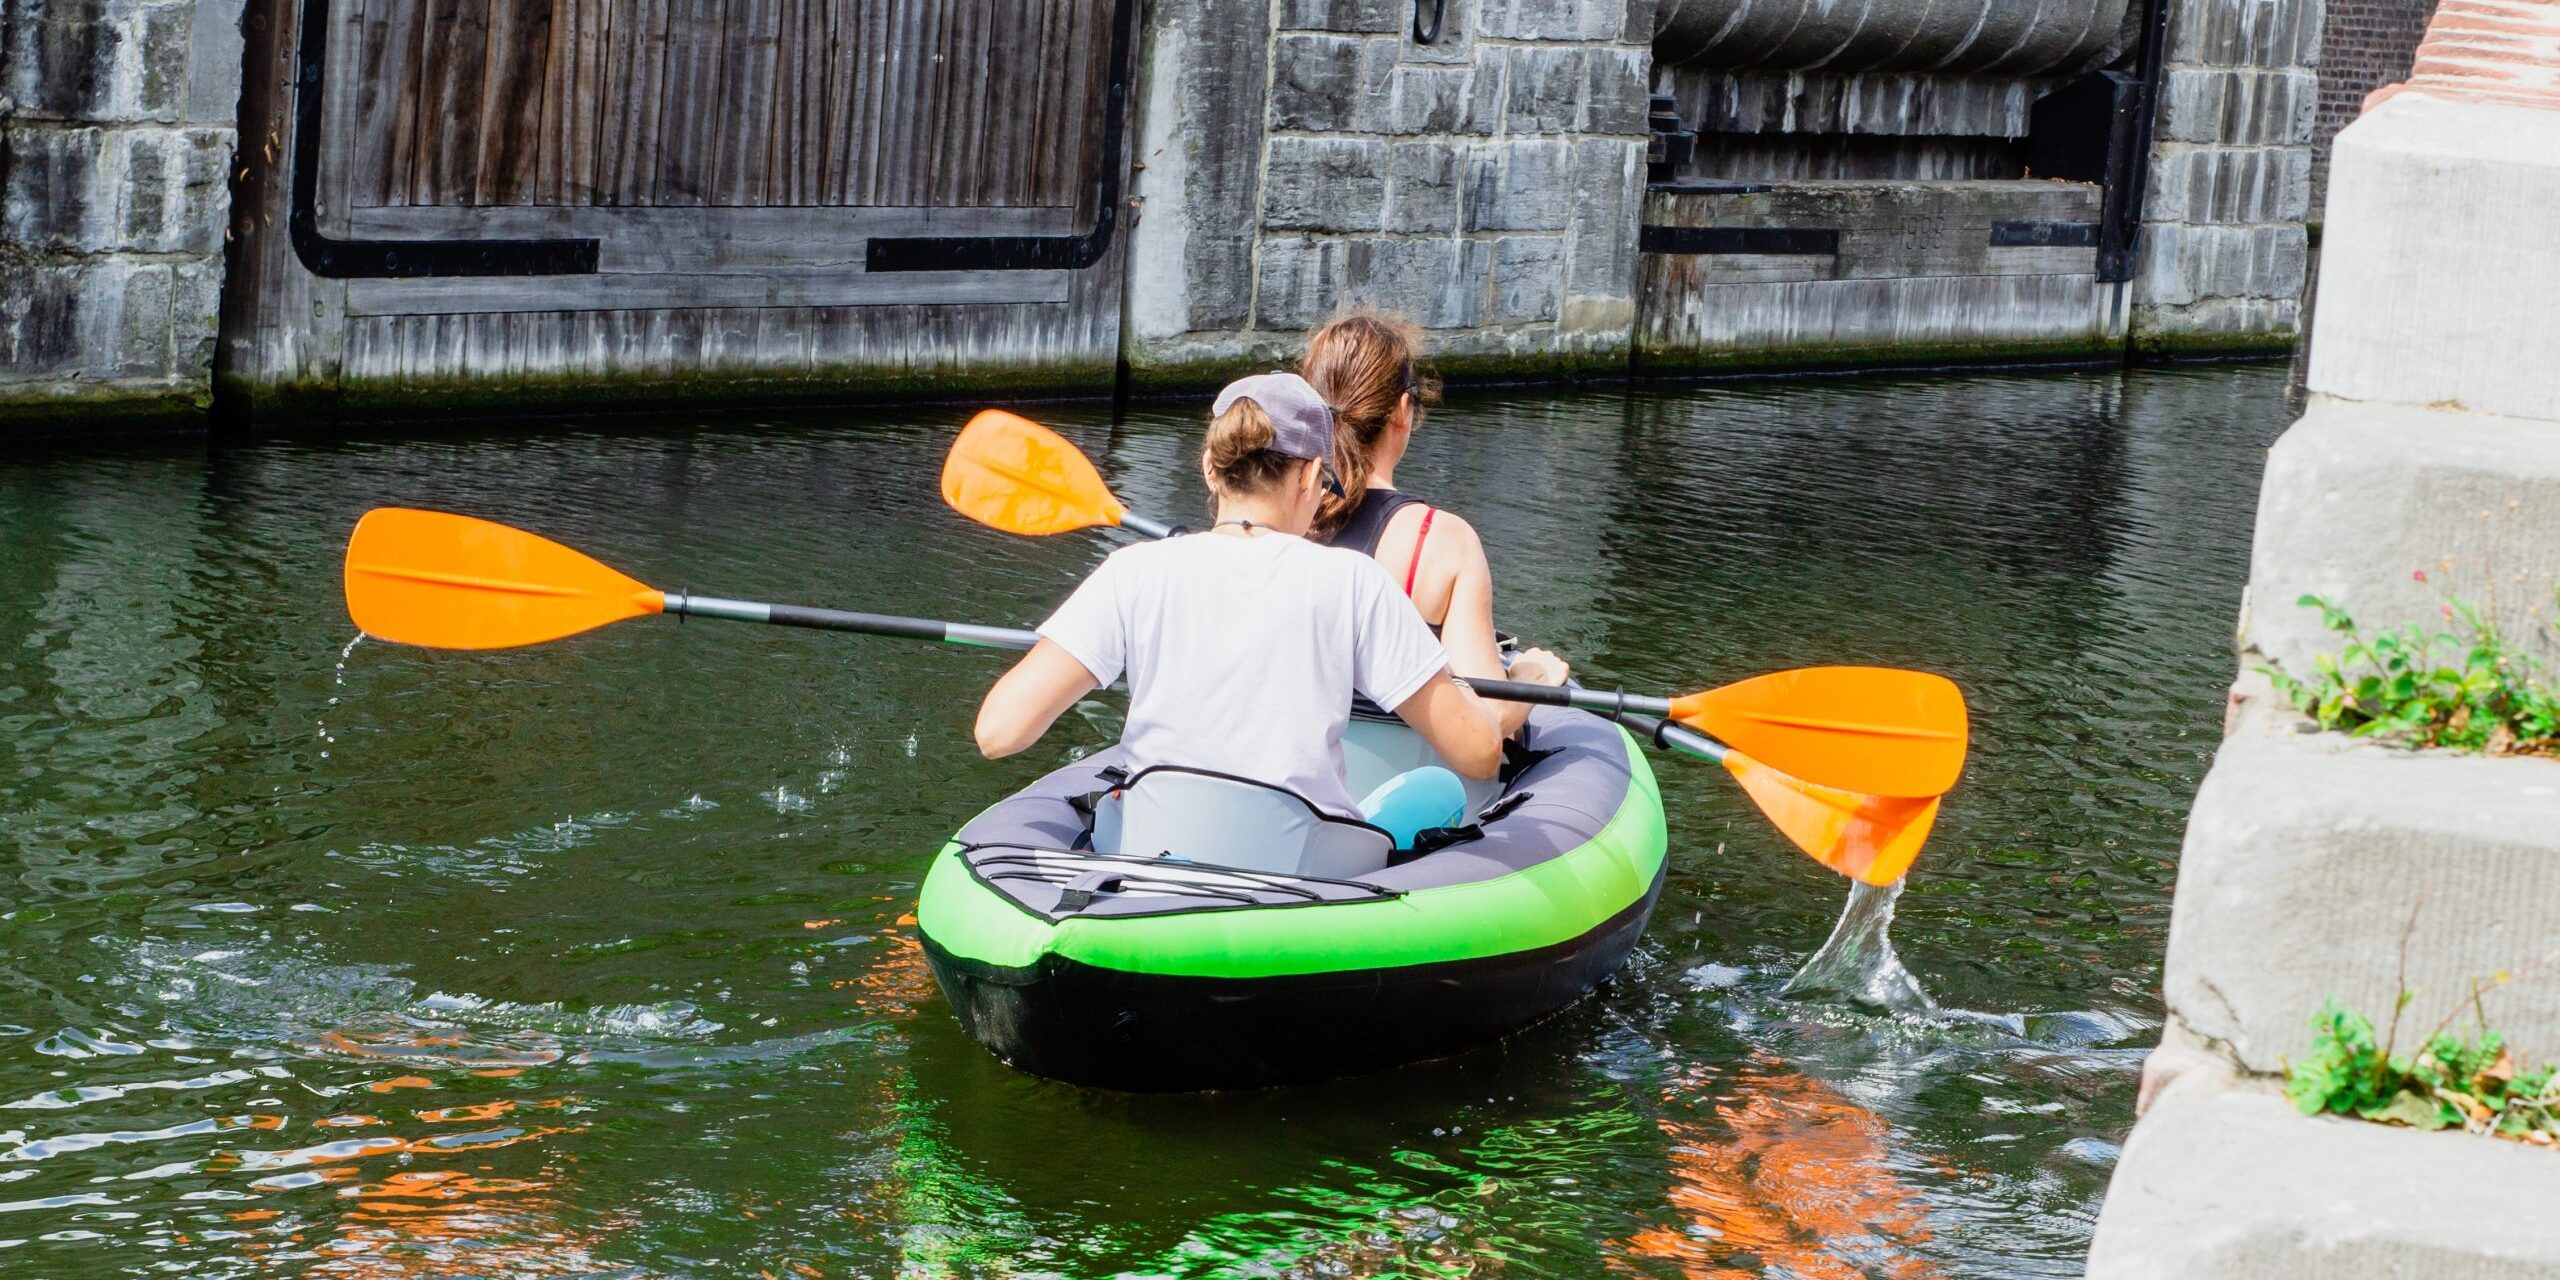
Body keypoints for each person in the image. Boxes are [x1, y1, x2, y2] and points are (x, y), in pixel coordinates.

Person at [973, 372, 1501, 847]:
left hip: (1150, 855)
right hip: (1302, 877)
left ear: (1209, 469)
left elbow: (998, 732)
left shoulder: (1132, 572)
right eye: (1324, 487)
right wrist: (1518, 680)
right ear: (1309, 475)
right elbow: (1478, 753)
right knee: (1436, 788)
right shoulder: (1355, 583)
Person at [1301, 309, 1567, 737]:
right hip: (1403, 789)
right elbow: (1490, 720)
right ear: (1403, 410)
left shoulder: (1272, 516)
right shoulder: (1441, 540)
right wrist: (1531, 682)